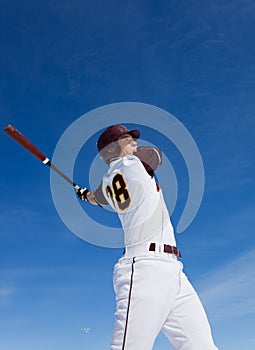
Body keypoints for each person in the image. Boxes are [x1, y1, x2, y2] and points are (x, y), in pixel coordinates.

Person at [77, 124, 218, 350]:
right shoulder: (130, 163)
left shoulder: (110, 178)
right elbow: (156, 155)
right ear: (111, 150)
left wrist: (88, 196)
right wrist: (93, 195)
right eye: (126, 139)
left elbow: (100, 197)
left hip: (173, 272)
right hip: (145, 267)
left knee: (201, 345)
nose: (134, 142)